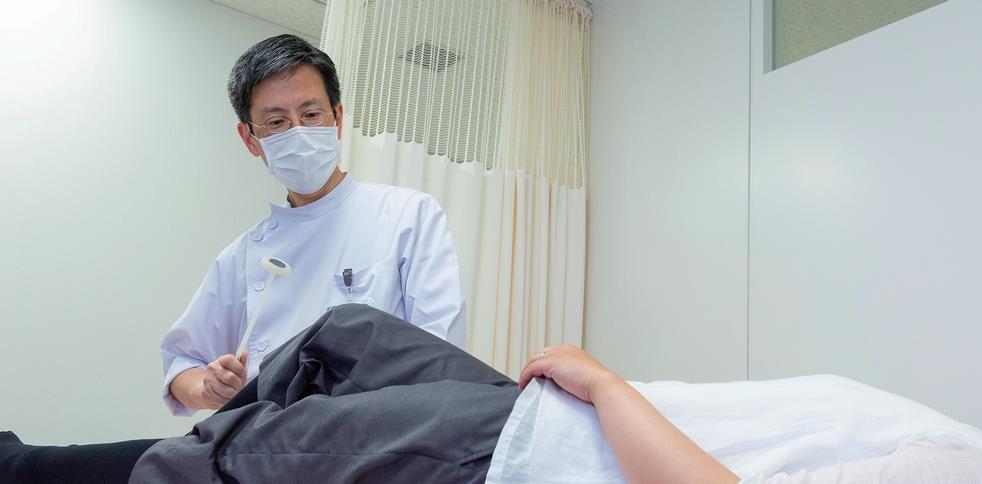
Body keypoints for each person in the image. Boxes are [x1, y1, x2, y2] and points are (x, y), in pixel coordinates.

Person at [1, 304, 738, 484]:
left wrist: (605, 386)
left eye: (310, 114)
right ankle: (212, 452)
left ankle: (22, 468)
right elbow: (182, 361)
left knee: (257, 448)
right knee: (345, 330)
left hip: (534, 459)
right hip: (548, 414)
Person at [160, 34, 466, 416]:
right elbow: (180, 365)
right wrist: (208, 387)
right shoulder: (242, 257)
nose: (299, 133)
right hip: (264, 438)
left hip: (373, 433)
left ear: (336, 119)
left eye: (310, 115)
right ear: (250, 140)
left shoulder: (407, 217)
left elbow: (440, 355)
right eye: (277, 122)